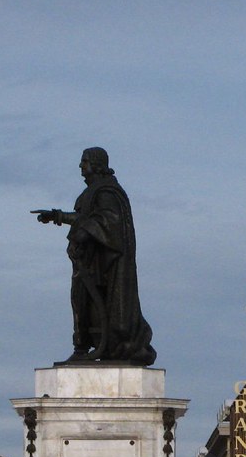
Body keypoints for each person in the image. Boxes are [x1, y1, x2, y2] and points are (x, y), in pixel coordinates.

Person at [34, 147, 156, 365]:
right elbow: (85, 217)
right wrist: (58, 216)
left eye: (85, 161)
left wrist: (83, 232)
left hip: (104, 265)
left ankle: (94, 347)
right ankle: (82, 347)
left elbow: (108, 220)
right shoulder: (94, 191)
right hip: (90, 261)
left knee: (92, 303)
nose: (81, 166)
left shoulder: (107, 192)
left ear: (97, 164)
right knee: (82, 302)